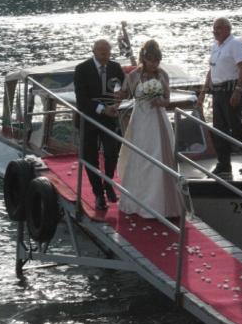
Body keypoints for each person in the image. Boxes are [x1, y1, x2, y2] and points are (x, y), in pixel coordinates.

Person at [117, 40, 182, 218]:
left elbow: (167, 100)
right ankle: (139, 201)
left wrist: (159, 101)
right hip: (140, 119)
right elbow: (125, 93)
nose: (155, 64)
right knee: (140, 157)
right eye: (151, 60)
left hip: (157, 119)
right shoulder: (134, 76)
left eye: (157, 60)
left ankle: (162, 203)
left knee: (159, 156)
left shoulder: (163, 75)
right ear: (144, 59)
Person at [197, 17, 242, 176]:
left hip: (231, 89)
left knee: (236, 126)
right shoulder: (215, 46)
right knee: (219, 129)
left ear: (227, 29)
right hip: (218, 92)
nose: (214, 31)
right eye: (213, 28)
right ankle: (224, 163)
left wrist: (238, 90)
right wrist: (203, 93)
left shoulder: (235, 44)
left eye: (218, 28)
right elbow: (211, 71)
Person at [74, 39, 125, 210]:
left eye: (107, 51)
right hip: (89, 117)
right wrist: (102, 109)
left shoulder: (115, 68)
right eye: (101, 51)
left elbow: (122, 89)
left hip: (110, 117)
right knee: (90, 157)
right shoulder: (82, 69)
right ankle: (98, 194)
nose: (105, 54)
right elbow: (82, 100)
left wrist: (117, 103)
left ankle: (108, 183)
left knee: (112, 151)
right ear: (94, 51)